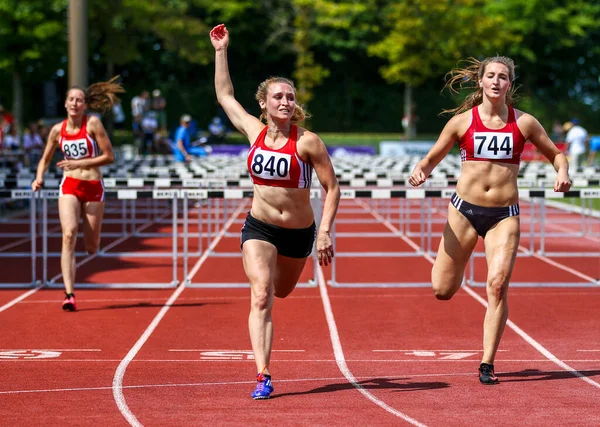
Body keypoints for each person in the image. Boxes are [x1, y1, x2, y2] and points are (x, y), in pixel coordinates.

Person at [408, 56, 571, 385]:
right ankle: (460, 263)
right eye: (491, 76)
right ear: (480, 81)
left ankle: (487, 363)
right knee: (442, 289)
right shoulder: (461, 122)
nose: (497, 81)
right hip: (464, 211)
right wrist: (421, 170)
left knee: (497, 286)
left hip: (503, 216)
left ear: (510, 84)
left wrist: (563, 172)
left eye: (503, 77)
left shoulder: (524, 123)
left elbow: (556, 153)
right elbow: (432, 156)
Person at [210, 23, 341, 399]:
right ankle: (263, 375)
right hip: (260, 229)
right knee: (262, 294)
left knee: (282, 291)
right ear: (264, 103)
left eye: (290, 97)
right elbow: (224, 95)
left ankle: (264, 368)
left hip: (299, 234)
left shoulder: (308, 143)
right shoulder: (253, 132)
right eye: (278, 97)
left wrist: (325, 231)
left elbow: (332, 188)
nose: (285, 102)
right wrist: (221, 51)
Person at [31, 77, 123, 311]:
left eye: (79, 100)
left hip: (93, 186)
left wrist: (81, 162)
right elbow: (44, 159)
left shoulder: (93, 124)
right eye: (71, 99)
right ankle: (69, 294)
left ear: (84, 105)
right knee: (68, 234)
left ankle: (88, 242)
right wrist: (39, 177)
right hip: (69, 185)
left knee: (91, 247)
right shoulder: (56, 130)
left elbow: (109, 156)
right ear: (65, 104)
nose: (75, 103)